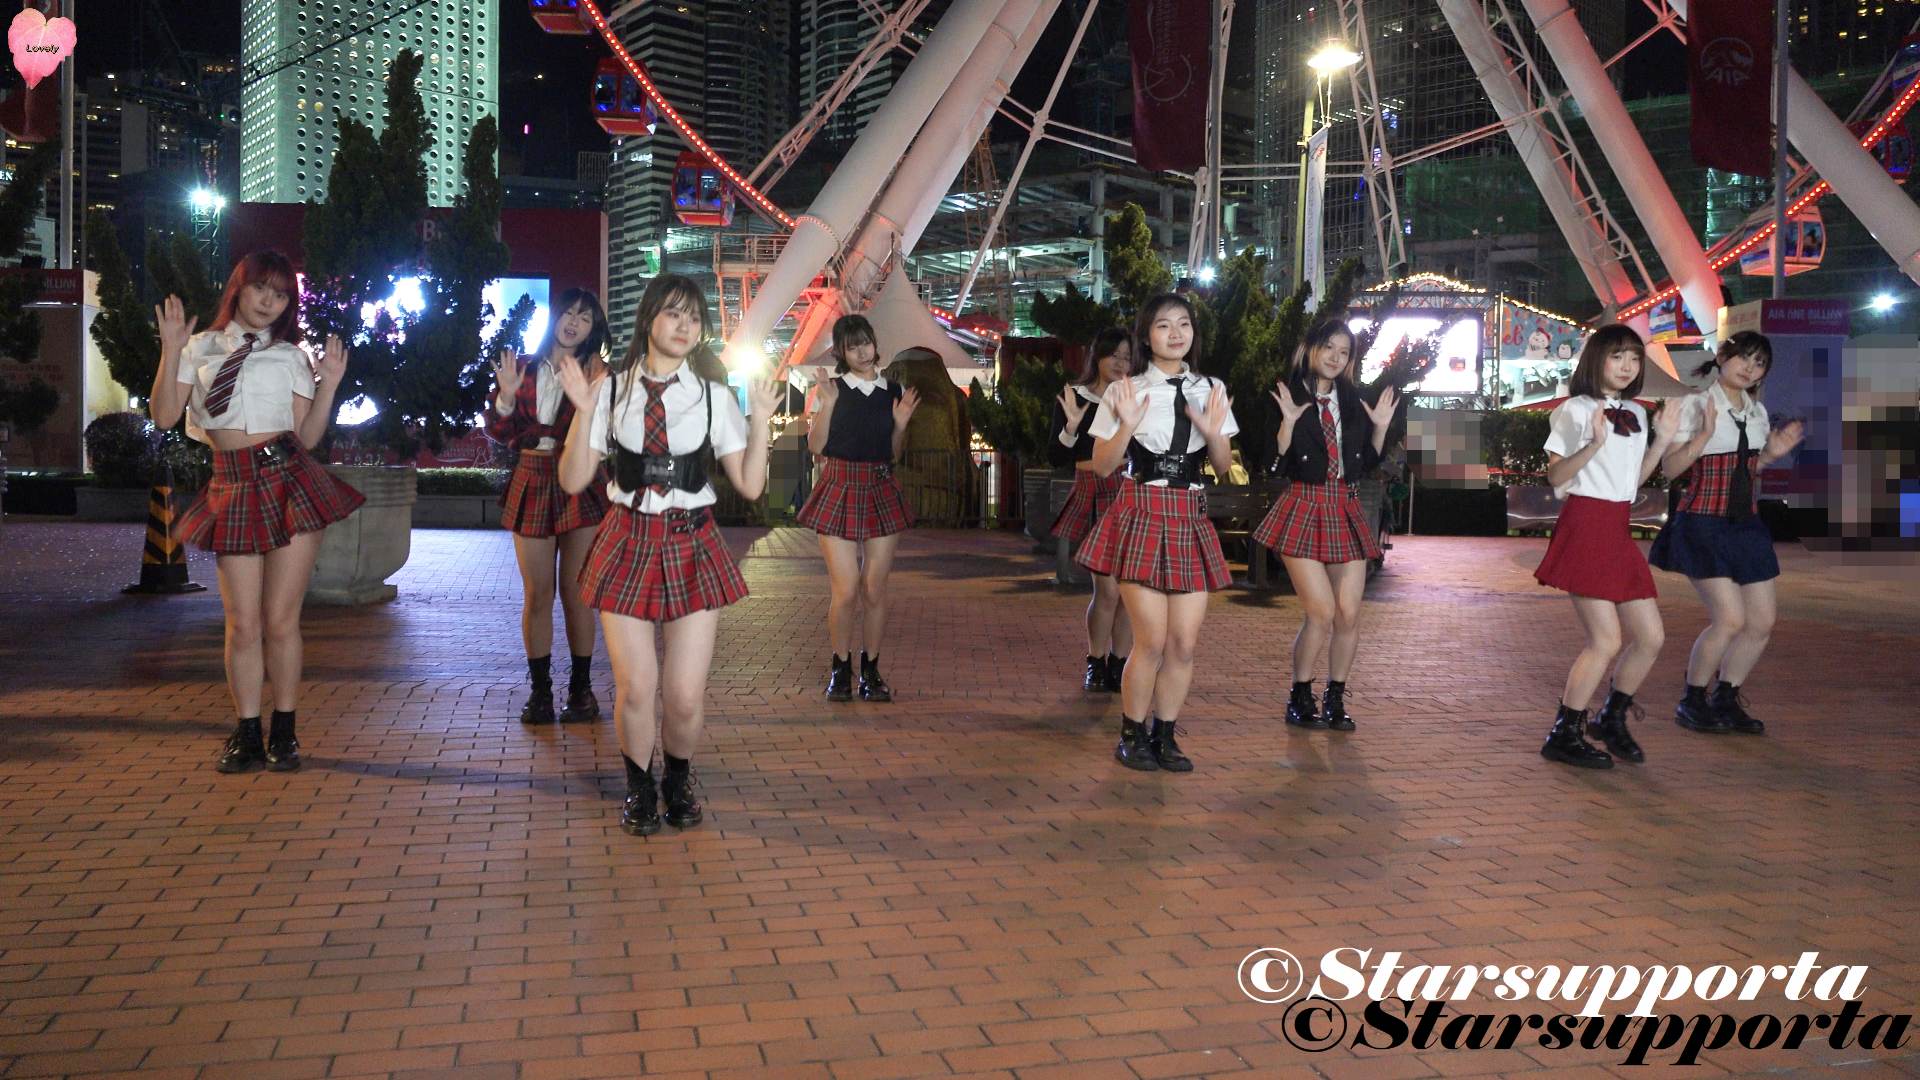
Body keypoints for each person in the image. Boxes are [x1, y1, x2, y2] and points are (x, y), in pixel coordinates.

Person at [555, 274, 778, 836]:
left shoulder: (713, 397)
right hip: (626, 540)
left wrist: (760, 424)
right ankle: (638, 787)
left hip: (692, 542)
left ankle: (677, 780)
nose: (685, 326)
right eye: (674, 313)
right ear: (649, 317)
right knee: (636, 686)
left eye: (694, 318)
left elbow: (751, 485)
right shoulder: (610, 391)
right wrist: (583, 410)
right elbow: (574, 479)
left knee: (682, 695)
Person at [152, 250, 363, 773]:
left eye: (281, 294)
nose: (269, 301)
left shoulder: (291, 356)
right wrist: (170, 349)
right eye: (260, 289)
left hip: (288, 477)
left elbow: (307, 437)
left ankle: (284, 731)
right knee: (243, 624)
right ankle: (247, 731)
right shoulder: (199, 348)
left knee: (280, 620)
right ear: (238, 289)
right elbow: (164, 415)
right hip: (231, 482)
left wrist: (330, 384)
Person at [1076, 293, 1237, 773]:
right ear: (1147, 335)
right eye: (1164, 325)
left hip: (1189, 514)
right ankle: (1131, 733)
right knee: (1150, 640)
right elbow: (1103, 466)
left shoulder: (1211, 388)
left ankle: (1164, 735)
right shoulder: (1125, 390)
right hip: (1142, 511)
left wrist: (1213, 434)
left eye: (1183, 324)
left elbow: (1223, 466)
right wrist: (1126, 426)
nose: (1175, 333)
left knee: (1183, 643)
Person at [1533, 325, 1682, 769]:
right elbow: (1556, 476)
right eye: (1617, 356)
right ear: (1596, 359)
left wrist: (1662, 440)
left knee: (1651, 637)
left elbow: (1632, 484)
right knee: (1605, 640)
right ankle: (1564, 733)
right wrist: (1594, 445)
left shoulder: (1635, 412)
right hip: (1586, 522)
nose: (1627, 366)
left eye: (1634, 358)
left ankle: (1610, 718)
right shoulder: (1574, 409)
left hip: (1617, 525)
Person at [1648, 331, 1805, 736]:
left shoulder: (1757, 412)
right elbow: (1670, 469)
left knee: (1762, 622)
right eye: (1743, 358)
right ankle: (1692, 699)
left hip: (1745, 525)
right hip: (1702, 523)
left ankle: (1726, 696)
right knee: (1730, 619)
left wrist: (1771, 455)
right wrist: (1703, 436)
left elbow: (1748, 471)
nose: (1750, 368)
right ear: (1722, 357)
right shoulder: (1696, 405)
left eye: (1759, 363)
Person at [1255, 319, 1399, 732]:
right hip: (1302, 505)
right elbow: (1271, 464)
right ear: (1311, 348)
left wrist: (1380, 428)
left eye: (1344, 352)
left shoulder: (1352, 400)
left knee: (1348, 614)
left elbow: (1366, 465)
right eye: (1329, 348)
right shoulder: (1285, 394)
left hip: (1344, 508)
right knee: (1320, 612)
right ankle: (1300, 695)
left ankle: (1335, 697)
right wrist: (1287, 423)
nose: (1336, 358)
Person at [485, 289, 614, 726]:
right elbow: (500, 430)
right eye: (568, 313)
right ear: (554, 317)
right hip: (532, 474)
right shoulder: (522, 366)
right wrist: (505, 397)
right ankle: (540, 692)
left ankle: (581, 691)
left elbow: (605, 428)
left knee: (578, 594)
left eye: (585, 317)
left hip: (580, 476)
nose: (574, 322)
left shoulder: (597, 371)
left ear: (593, 328)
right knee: (537, 593)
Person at [795, 314, 921, 702]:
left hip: (880, 486)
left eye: (866, 342)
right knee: (846, 589)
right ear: (841, 353)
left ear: (874, 343)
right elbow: (816, 446)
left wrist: (900, 425)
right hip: (839, 486)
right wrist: (828, 405)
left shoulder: (892, 390)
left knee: (874, 588)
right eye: (853, 347)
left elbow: (894, 453)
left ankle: (871, 670)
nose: (862, 352)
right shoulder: (833, 389)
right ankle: (840, 669)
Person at [1046, 326, 1134, 692]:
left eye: (1128, 357)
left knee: (1128, 593)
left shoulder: (1134, 399)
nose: (1120, 363)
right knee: (1108, 591)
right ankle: (1096, 661)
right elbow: (1055, 457)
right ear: (1097, 356)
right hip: (1093, 493)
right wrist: (1070, 427)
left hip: (1129, 494)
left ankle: (1120, 663)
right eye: (1114, 355)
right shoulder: (1076, 397)